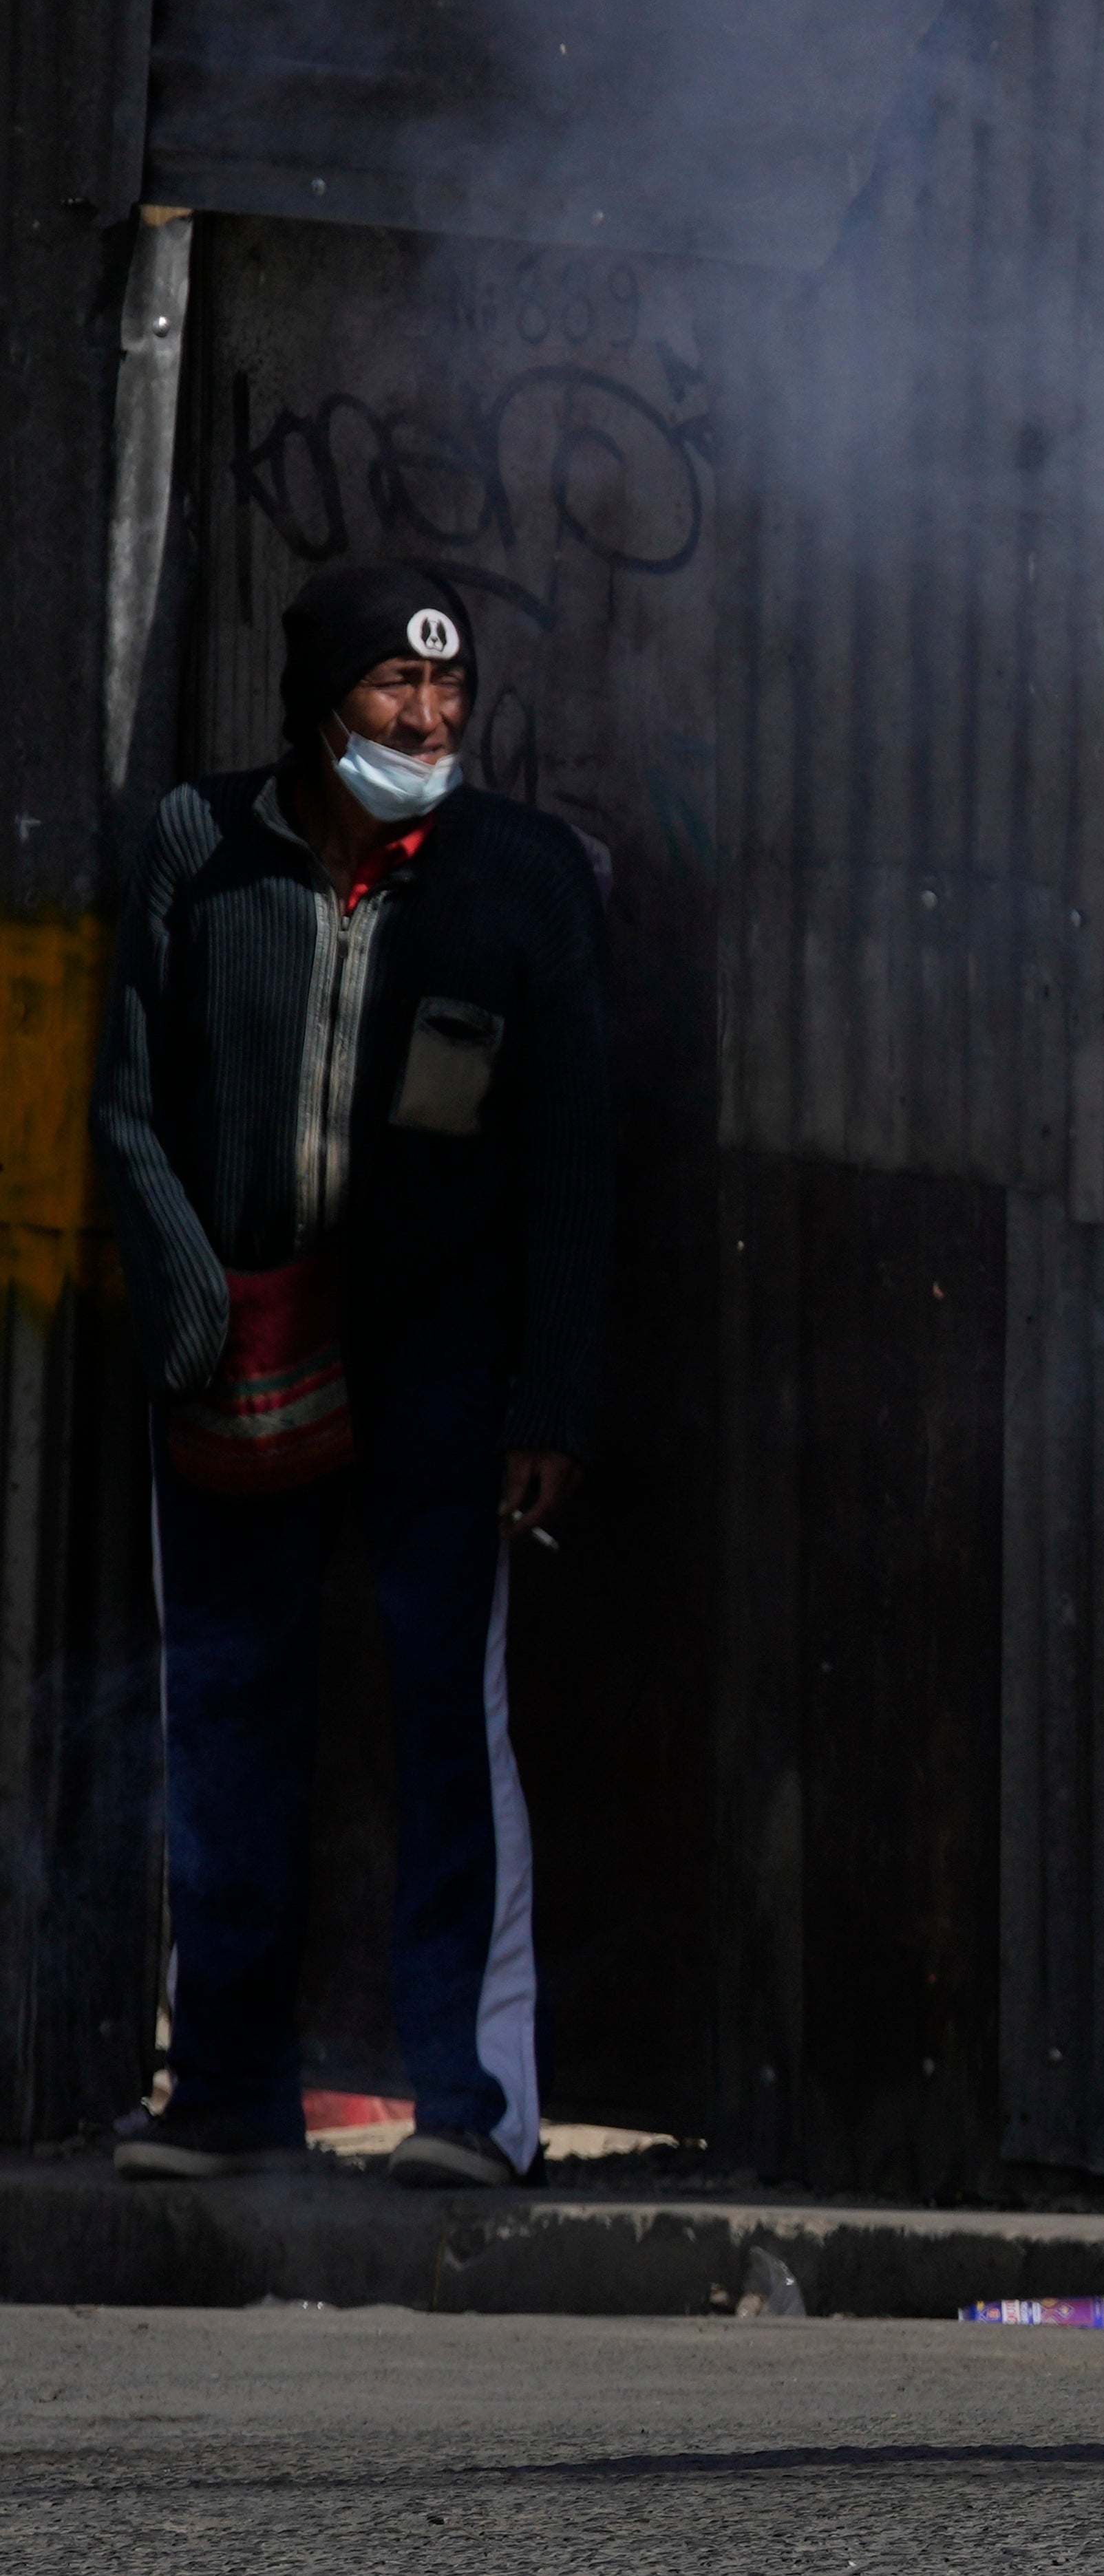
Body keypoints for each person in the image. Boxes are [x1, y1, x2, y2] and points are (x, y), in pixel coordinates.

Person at [89, 561, 613, 2191]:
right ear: (320, 705)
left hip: (436, 1368)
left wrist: (549, 1401)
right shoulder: (196, 845)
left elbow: (573, 1159)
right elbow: (126, 1104)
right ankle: (229, 2092)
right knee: (230, 1712)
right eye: (398, 688)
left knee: (448, 1719)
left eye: (452, 691)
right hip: (237, 1354)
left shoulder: (522, 877)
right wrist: (191, 1308)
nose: (433, 718)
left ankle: (474, 2106)